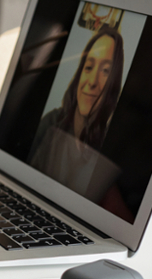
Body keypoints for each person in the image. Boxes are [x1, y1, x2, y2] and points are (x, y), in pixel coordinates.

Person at [28, 25, 125, 199]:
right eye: (89, 67)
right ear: (80, 72)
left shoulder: (109, 148)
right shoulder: (50, 124)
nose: (92, 82)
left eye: (105, 71)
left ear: (114, 83)